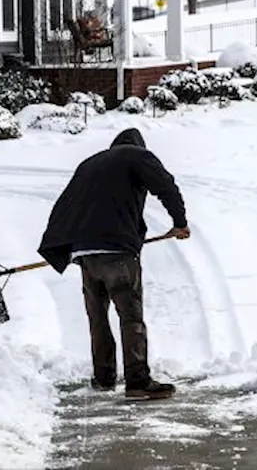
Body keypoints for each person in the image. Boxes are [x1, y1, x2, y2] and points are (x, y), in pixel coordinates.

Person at [38, 128, 190, 401]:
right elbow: (166, 186)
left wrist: (63, 247)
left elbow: (65, 204)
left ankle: (104, 377)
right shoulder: (138, 156)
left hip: (84, 252)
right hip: (117, 251)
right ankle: (138, 381)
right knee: (130, 314)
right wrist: (179, 222)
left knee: (97, 316)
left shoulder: (90, 163)